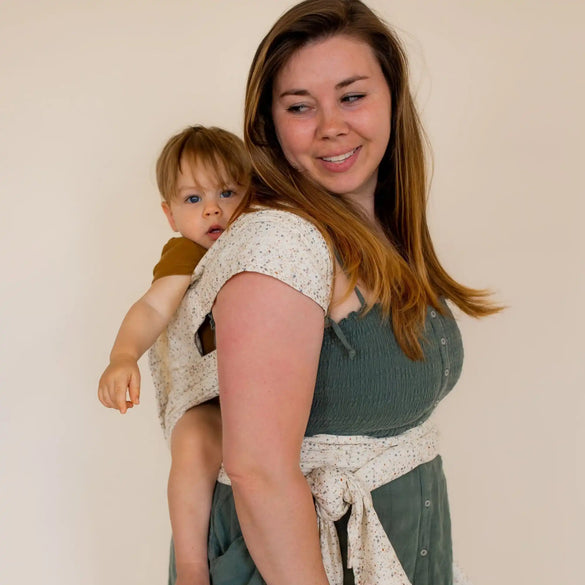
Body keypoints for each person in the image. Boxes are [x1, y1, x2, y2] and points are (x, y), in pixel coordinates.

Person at [164, 1, 500, 584]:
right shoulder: (280, 245)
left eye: (352, 96)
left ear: (393, 97)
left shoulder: (379, 232)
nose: (330, 126)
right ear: (269, 123)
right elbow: (259, 472)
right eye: (300, 107)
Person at [98, 125, 251, 585]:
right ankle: (190, 568)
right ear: (169, 215)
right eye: (192, 199)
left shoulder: (264, 241)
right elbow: (152, 306)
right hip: (209, 393)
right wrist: (123, 356)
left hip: (265, 385)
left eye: (228, 191)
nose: (213, 208)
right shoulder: (186, 253)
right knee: (192, 443)